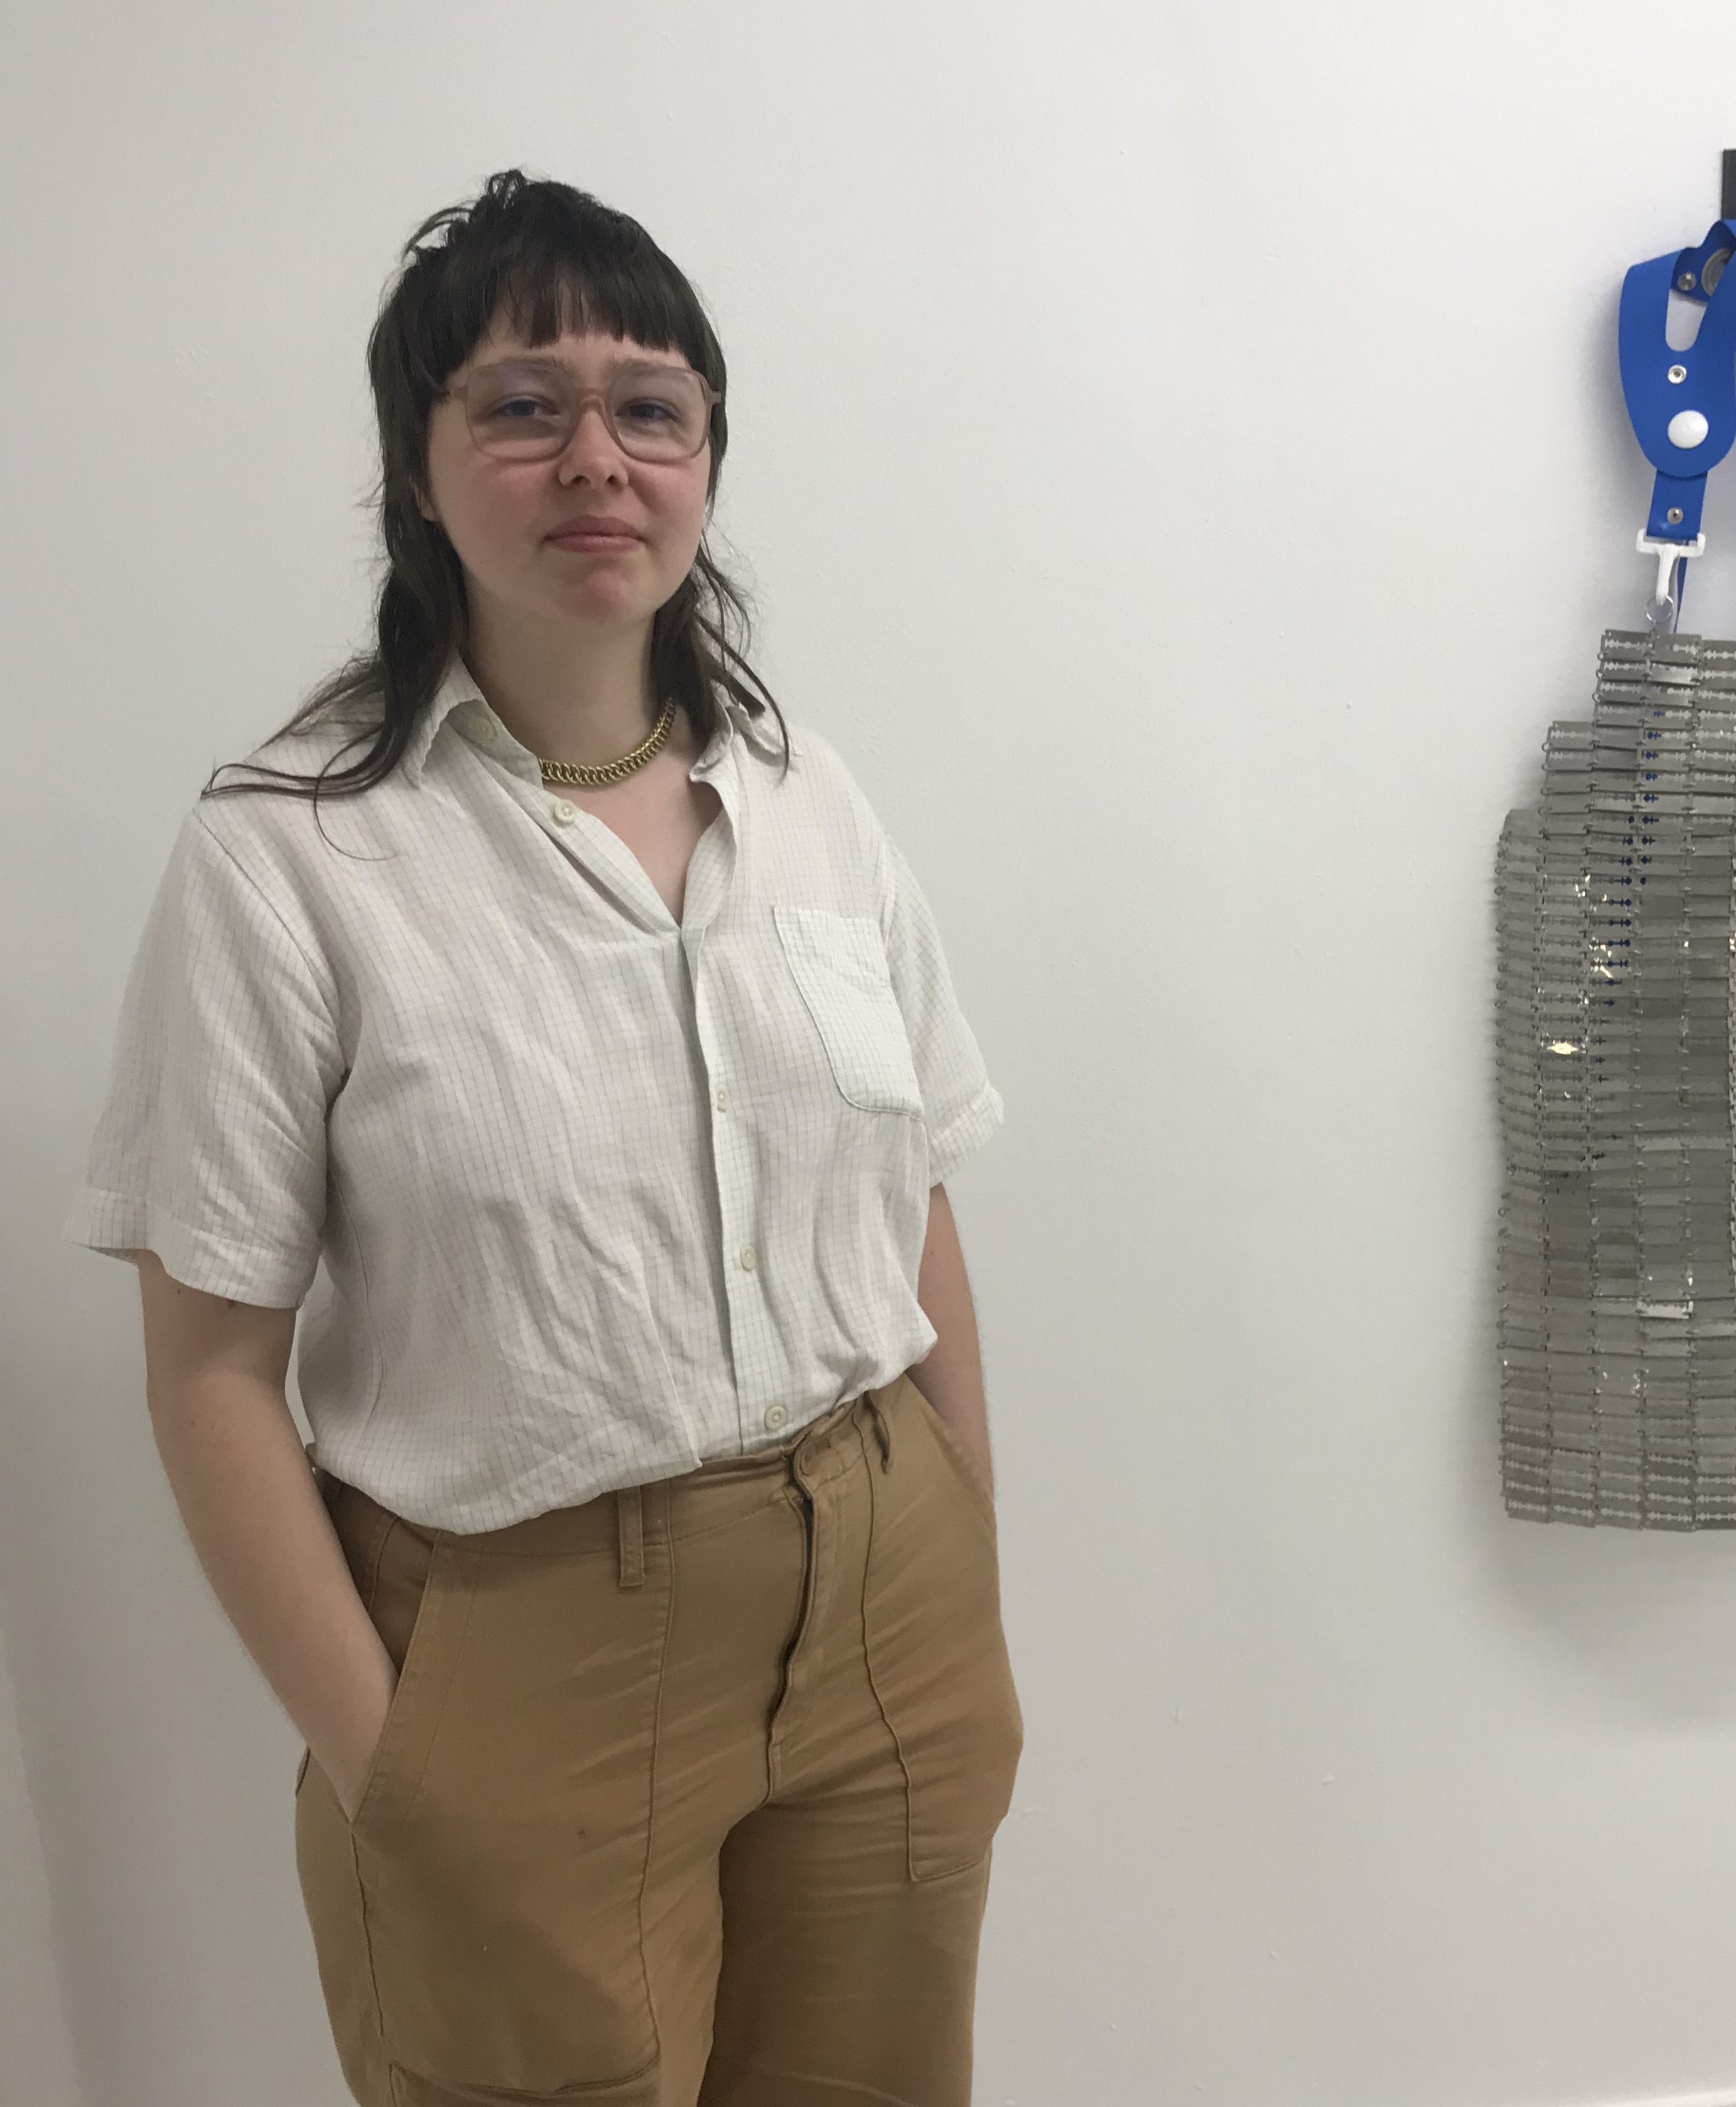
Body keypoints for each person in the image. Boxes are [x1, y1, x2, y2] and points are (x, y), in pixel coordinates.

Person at [60, 168, 1023, 2107]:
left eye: (651, 408)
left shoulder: (805, 795)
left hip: (885, 1613)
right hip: (522, 1652)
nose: (597, 456)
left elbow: (909, 1200)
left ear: (706, 461)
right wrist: (398, 1769)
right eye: (522, 404)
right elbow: (213, 1371)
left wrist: (963, 1574)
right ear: (418, 474)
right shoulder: (291, 851)